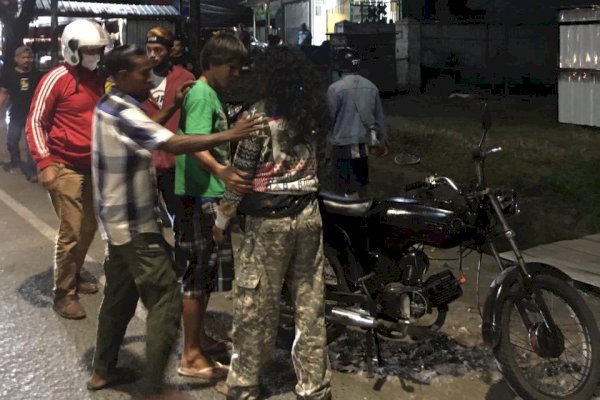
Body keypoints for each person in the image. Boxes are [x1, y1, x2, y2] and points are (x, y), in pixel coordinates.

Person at [86, 44, 265, 399]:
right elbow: (173, 142)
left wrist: (171, 106)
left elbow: (147, 131)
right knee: (168, 296)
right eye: (141, 72)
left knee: (119, 298)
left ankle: (102, 371)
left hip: (117, 220)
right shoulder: (123, 107)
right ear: (121, 76)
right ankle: (155, 386)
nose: (149, 77)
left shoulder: (114, 106)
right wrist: (229, 137)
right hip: (133, 223)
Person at [213, 46, 332, 400]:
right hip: (309, 215)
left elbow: (241, 177)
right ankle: (315, 387)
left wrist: (222, 219)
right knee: (310, 305)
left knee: (254, 306)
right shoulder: (310, 114)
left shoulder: (257, 119)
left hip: (269, 224)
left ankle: (243, 384)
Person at [175, 32, 252, 380]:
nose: (236, 74)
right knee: (197, 275)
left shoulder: (209, 94)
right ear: (212, 64)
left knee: (205, 275)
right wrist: (221, 169)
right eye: (231, 67)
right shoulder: (203, 95)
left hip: (207, 193)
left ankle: (198, 338)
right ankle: (190, 355)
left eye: (240, 68)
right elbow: (193, 143)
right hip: (200, 196)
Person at [25, 19, 109, 319]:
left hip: (93, 167)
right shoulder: (56, 79)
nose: (95, 55)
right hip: (64, 166)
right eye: (89, 50)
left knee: (88, 226)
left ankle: (73, 273)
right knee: (71, 228)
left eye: (98, 50)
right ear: (72, 50)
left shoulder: (100, 79)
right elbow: (35, 122)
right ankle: (63, 293)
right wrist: (45, 164)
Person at [142, 26, 195, 276]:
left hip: (177, 161)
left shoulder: (185, 78)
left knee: (180, 217)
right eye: (150, 49)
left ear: (169, 51)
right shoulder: (138, 78)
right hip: (146, 162)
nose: (153, 55)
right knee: (147, 221)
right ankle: (158, 264)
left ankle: (182, 263)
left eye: (158, 50)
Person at [327, 47, 388, 198]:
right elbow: (380, 118)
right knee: (361, 184)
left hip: (342, 146)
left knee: (346, 189)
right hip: (363, 145)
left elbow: (329, 119)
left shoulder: (335, 89)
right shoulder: (371, 87)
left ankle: (350, 218)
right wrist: (383, 142)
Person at [0, 45, 42, 180]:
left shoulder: (37, 75)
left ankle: (31, 171)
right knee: (12, 141)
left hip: (33, 116)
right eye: (24, 57)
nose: (27, 60)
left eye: (29, 57)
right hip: (15, 115)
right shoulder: (8, 75)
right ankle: (15, 163)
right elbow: (3, 93)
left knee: (31, 144)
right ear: (16, 59)